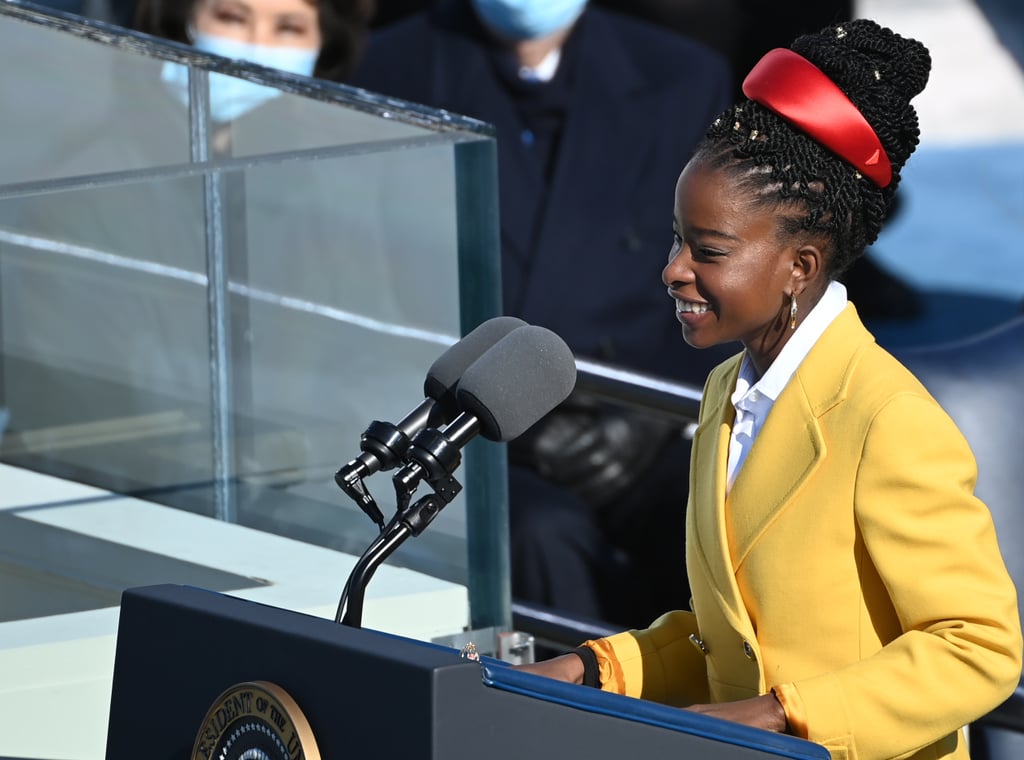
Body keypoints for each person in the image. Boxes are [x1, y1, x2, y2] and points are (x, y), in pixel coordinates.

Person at [519, 18, 1023, 759]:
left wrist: (784, 716)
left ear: (801, 266)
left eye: (708, 250)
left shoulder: (888, 421)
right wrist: (596, 669)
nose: (672, 269)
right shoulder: (727, 390)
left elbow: (977, 648)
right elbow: (727, 638)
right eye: (674, 238)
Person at [351, 0, 737, 626]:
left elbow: (722, 262)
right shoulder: (388, 67)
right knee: (539, 535)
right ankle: (580, 714)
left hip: (635, 419)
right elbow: (361, 275)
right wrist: (503, 414)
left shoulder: (682, 74)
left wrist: (648, 425)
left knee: (724, 514)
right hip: (465, 427)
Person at [134, 0, 373, 84]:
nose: (257, 44)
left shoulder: (350, 177)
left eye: (289, 28)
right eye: (233, 18)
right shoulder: (108, 153)